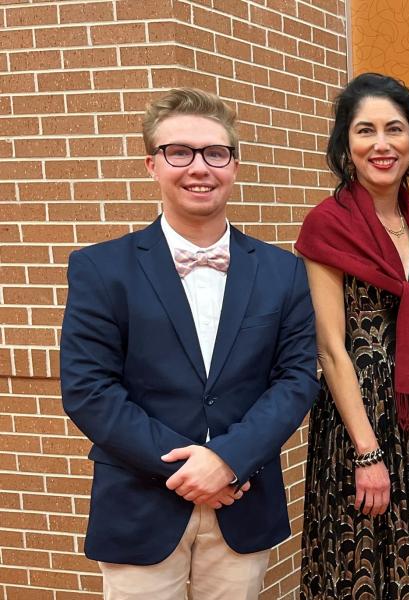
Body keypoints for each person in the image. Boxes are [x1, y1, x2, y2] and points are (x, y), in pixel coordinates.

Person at [59, 88, 318, 599]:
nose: (199, 167)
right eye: (180, 152)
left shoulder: (282, 270)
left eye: (215, 153)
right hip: (139, 504)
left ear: (234, 166)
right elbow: (89, 389)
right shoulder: (99, 268)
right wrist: (187, 469)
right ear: (152, 164)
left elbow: (293, 381)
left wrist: (227, 461)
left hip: (242, 501)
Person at [295, 72, 409, 599]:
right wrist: (367, 452)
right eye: (365, 131)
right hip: (357, 426)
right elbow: (330, 348)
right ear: (347, 143)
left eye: (395, 129)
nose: (382, 144)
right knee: (359, 568)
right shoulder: (328, 224)